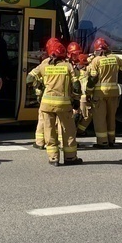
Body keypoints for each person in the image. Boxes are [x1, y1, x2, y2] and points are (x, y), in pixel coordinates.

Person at [26, 38, 82, 166]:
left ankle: (53, 159)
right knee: (68, 131)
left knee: (49, 131)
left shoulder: (44, 65)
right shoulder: (67, 66)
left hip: (46, 104)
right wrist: (76, 101)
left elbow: (29, 79)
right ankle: (70, 158)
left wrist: (40, 86)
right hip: (64, 104)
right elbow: (76, 85)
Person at [86, 37, 122, 148]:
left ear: (98, 50)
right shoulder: (115, 58)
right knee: (111, 117)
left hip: (100, 94)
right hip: (114, 93)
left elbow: (93, 78)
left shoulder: (96, 61)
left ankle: (102, 142)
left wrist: (88, 92)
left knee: (100, 118)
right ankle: (111, 140)